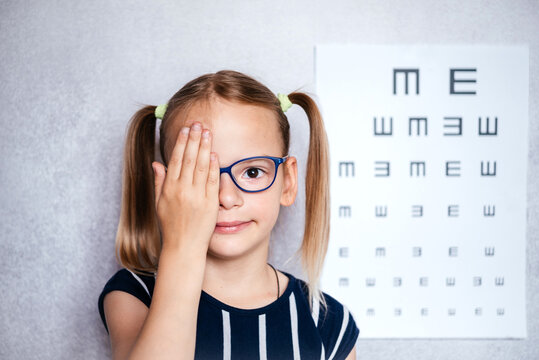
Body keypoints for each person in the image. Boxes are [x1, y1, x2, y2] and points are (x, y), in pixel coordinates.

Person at [97, 70, 359, 359]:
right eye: (200, 174)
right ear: (167, 188)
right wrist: (183, 242)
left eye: (252, 172)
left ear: (288, 182)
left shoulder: (329, 324)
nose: (226, 197)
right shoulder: (134, 295)